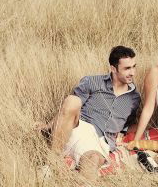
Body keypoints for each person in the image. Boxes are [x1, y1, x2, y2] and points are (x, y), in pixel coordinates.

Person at [41, 45, 141, 179]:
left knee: (92, 159)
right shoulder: (92, 82)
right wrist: (48, 126)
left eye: (134, 66)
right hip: (78, 129)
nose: (133, 72)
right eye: (127, 68)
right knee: (72, 100)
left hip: (100, 142)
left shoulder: (134, 98)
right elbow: (67, 109)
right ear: (113, 68)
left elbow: (128, 124)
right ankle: (51, 161)